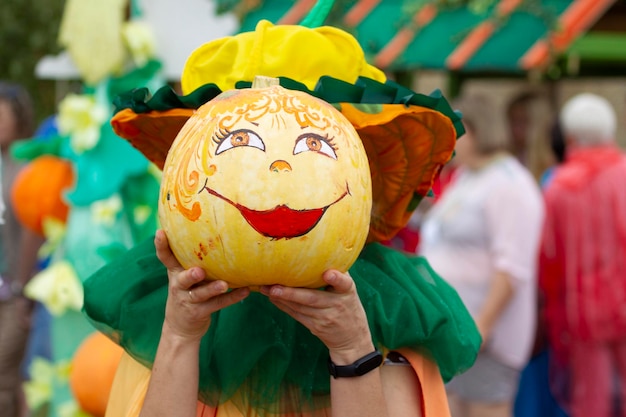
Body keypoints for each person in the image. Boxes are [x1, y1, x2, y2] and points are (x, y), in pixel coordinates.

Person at [81, 16, 482, 417]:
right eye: (239, 142)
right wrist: (180, 336)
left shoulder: (390, 314)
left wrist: (353, 348)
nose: (278, 172)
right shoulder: (169, 305)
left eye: (312, 144)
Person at [418, 93, 545, 417]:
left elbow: (512, 268)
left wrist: (482, 326)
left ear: (474, 131)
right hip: (457, 330)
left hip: (483, 336)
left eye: (453, 131)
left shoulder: (509, 184)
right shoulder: (468, 176)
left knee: (486, 409)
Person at [539, 93, 626, 417]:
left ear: (571, 137)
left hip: (583, 314)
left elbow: (549, 259)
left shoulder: (560, 187)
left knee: (591, 399)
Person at [0, 81, 45, 417]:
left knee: (4, 373)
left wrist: (22, 291)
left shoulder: (28, 165)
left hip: (16, 292)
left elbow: (33, 231)